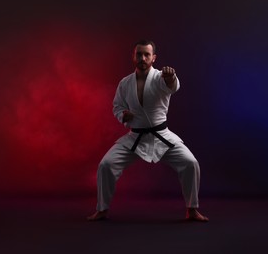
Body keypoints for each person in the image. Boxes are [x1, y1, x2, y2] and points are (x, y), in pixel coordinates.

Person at [87, 40, 208, 222]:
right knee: (106, 165)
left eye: (147, 55)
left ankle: (192, 209)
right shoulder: (125, 83)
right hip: (135, 137)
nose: (143, 58)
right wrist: (123, 115)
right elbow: (117, 106)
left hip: (162, 136)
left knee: (190, 163)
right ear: (133, 56)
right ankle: (102, 209)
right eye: (139, 54)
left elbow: (173, 87)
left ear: (154, 58)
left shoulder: (161, 78)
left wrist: (170, 77)